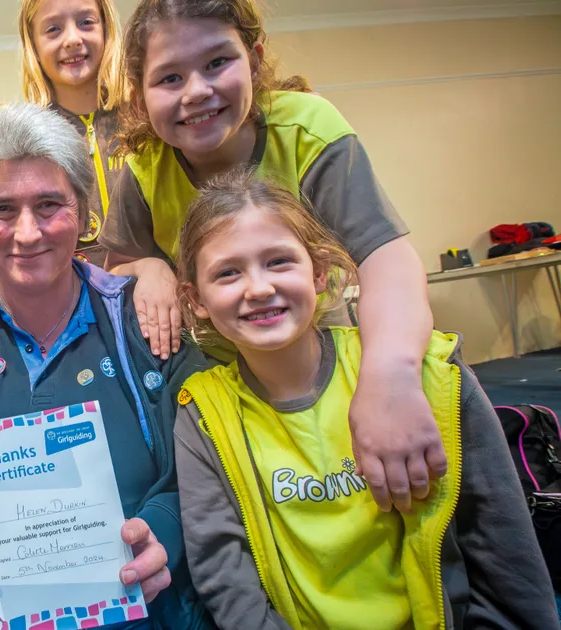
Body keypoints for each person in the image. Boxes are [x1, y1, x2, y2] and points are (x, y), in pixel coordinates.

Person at [173, 169, 559, 629]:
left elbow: (502, 546)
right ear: (196, 300)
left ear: (319, 271)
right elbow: (225, 573)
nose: (259, 288)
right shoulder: (203, 414)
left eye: (278, 261)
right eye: (228, 273)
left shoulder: (430, 372)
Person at [102, 0, 446, 514]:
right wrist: (148, 266)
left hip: (320, 370)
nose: (196, 91)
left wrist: (390, 379)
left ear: (255, 59)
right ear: (139, 96)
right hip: (220, 391)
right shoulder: (144, 170)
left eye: (217, 62)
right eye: (170, 78)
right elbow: (115, 268)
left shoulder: (308, 129)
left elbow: (386, 257)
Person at [0, 103, 212, 630]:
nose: (27, 233)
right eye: (2, 209)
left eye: (49, 204)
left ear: (84, 210)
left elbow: (205, 458)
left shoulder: (148, 320)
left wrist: (160, 533)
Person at [17, 0, 128, 268]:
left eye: (86, 22)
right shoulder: (26, 138)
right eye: (53, 29)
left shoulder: (144, 116)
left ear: (106, 29)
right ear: (34, 45)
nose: (72, 39)